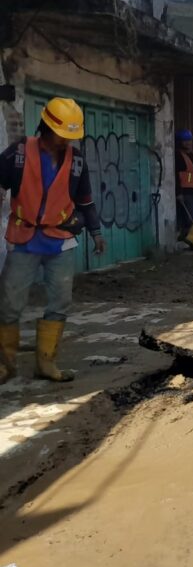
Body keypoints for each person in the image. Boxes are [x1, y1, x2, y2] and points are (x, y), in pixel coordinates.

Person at [0, 97, 106, 382]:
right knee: (10, 303)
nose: (66, 142)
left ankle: (46, 364)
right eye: (63, 135)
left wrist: (96, 232)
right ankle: (5, 365)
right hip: (24, 238)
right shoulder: (19, 153)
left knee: (60, 301)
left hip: (60, 240)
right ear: (47, 126)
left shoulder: (77, 162)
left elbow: (85, 201)